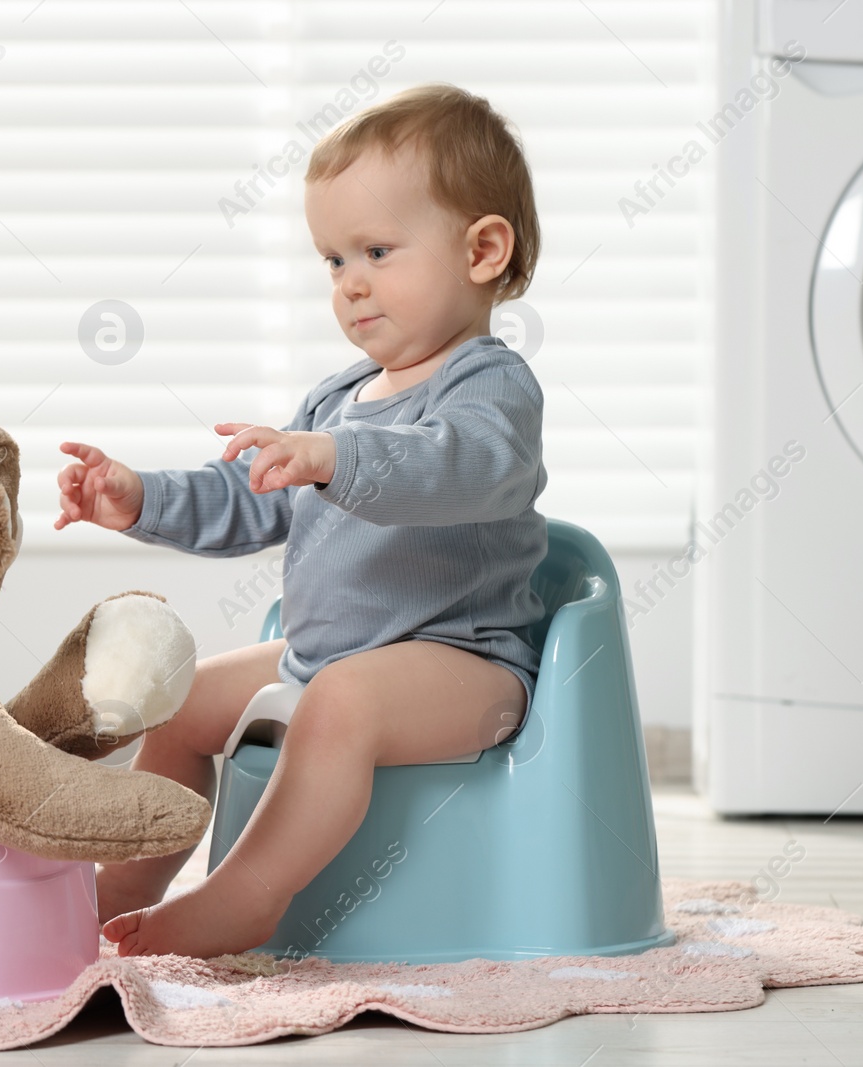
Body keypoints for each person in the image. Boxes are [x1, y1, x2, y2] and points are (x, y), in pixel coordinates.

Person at [55, 82, 548, 958]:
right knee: (178, 699)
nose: (351, 285)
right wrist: (139, 499)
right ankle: (131, 878)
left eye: (377, 250)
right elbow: (250, 495)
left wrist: (336, 458)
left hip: (464, 661)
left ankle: (247, 893)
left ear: (482, 249)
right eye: (332, 261)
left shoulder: (489, 386)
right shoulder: (335, 396)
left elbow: (470, 469)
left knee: (344, 701)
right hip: (322, 657)